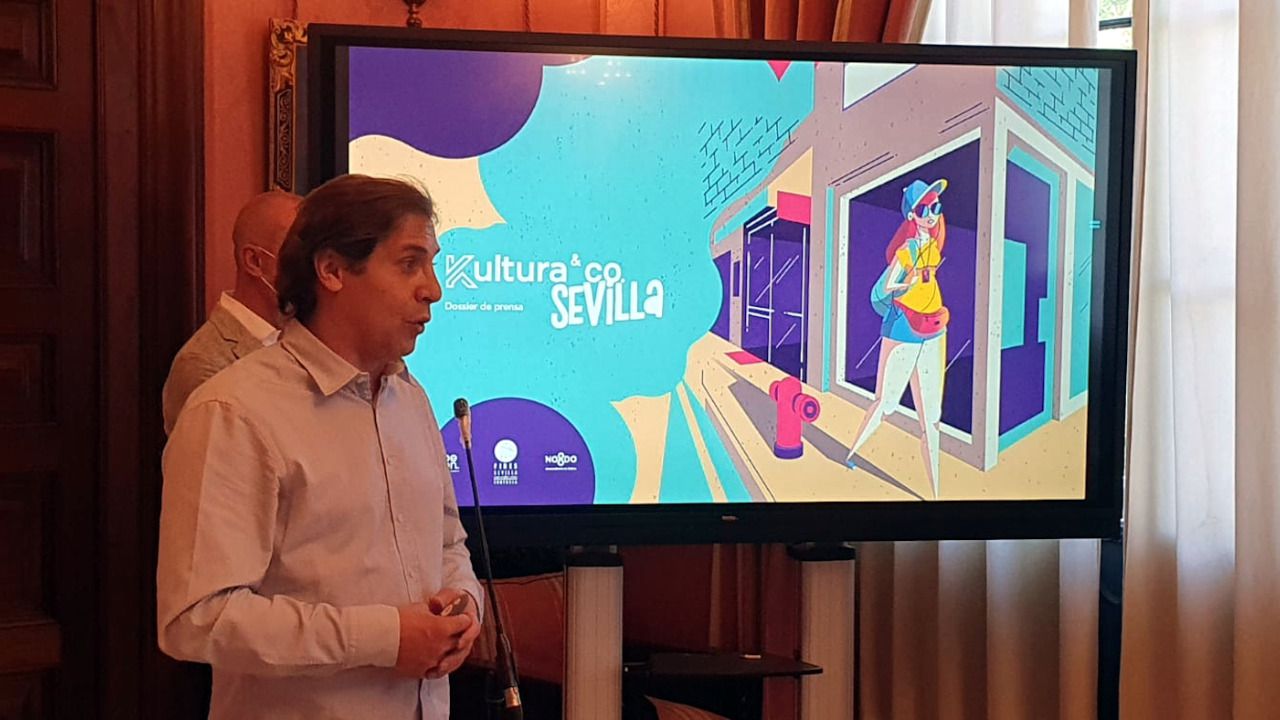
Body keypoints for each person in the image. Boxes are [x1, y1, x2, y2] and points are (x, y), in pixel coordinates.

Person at [157, 174, 483, 720]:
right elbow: (197, 619)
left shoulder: (410, 400)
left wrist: (463, 603)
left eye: (432, 265)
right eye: (409, 264)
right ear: (331, 270)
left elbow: (448, 541)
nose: (433, 289)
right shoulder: (235, 411)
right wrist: (385, 638)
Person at [161, 191, 302, 434]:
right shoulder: (203, 365)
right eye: (297, 254)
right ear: (254, 262)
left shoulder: (303, 337)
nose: (311, 269)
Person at [846, 178, 951, 498]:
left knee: (931, 418)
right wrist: (906, 284)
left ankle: (936, 494)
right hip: (904, 331)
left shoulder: (933, 248)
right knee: (886, 402)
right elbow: (883, 290)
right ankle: (852, 453)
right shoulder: (907, 251)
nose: (931, 214)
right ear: (911, 215)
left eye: (936, 207)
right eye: (924, 209)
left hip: (934, 330)